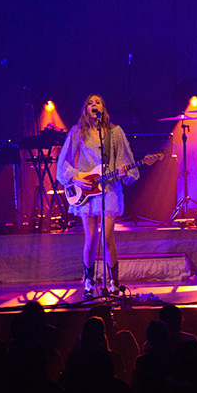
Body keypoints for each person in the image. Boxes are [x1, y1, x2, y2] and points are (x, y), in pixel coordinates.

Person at [56, 94, 140, 297]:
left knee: (108, 237)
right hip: (87, 189)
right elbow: (63, 162)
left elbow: (124, 159)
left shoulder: (115, 132)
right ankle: (88, 282)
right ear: (85, 109)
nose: (94, 105)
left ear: (103, 107)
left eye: (98, 102)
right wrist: (76, 178)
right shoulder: (78, 132)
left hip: (109, 188)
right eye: (90, 103)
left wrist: (123, 170)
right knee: (91, 238)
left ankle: (114, 282)